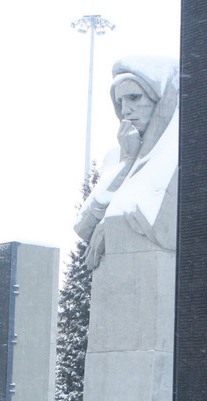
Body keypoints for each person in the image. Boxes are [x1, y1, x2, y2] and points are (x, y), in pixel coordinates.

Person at [75, 56, 179, 270]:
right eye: (120, 101)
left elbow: (160, 226)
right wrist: (127, 162)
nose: (126, 110)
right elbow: (83, 226)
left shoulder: (176, 154)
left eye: (134, 97)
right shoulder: (117, 155)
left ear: (160, 98)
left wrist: (110, 225)